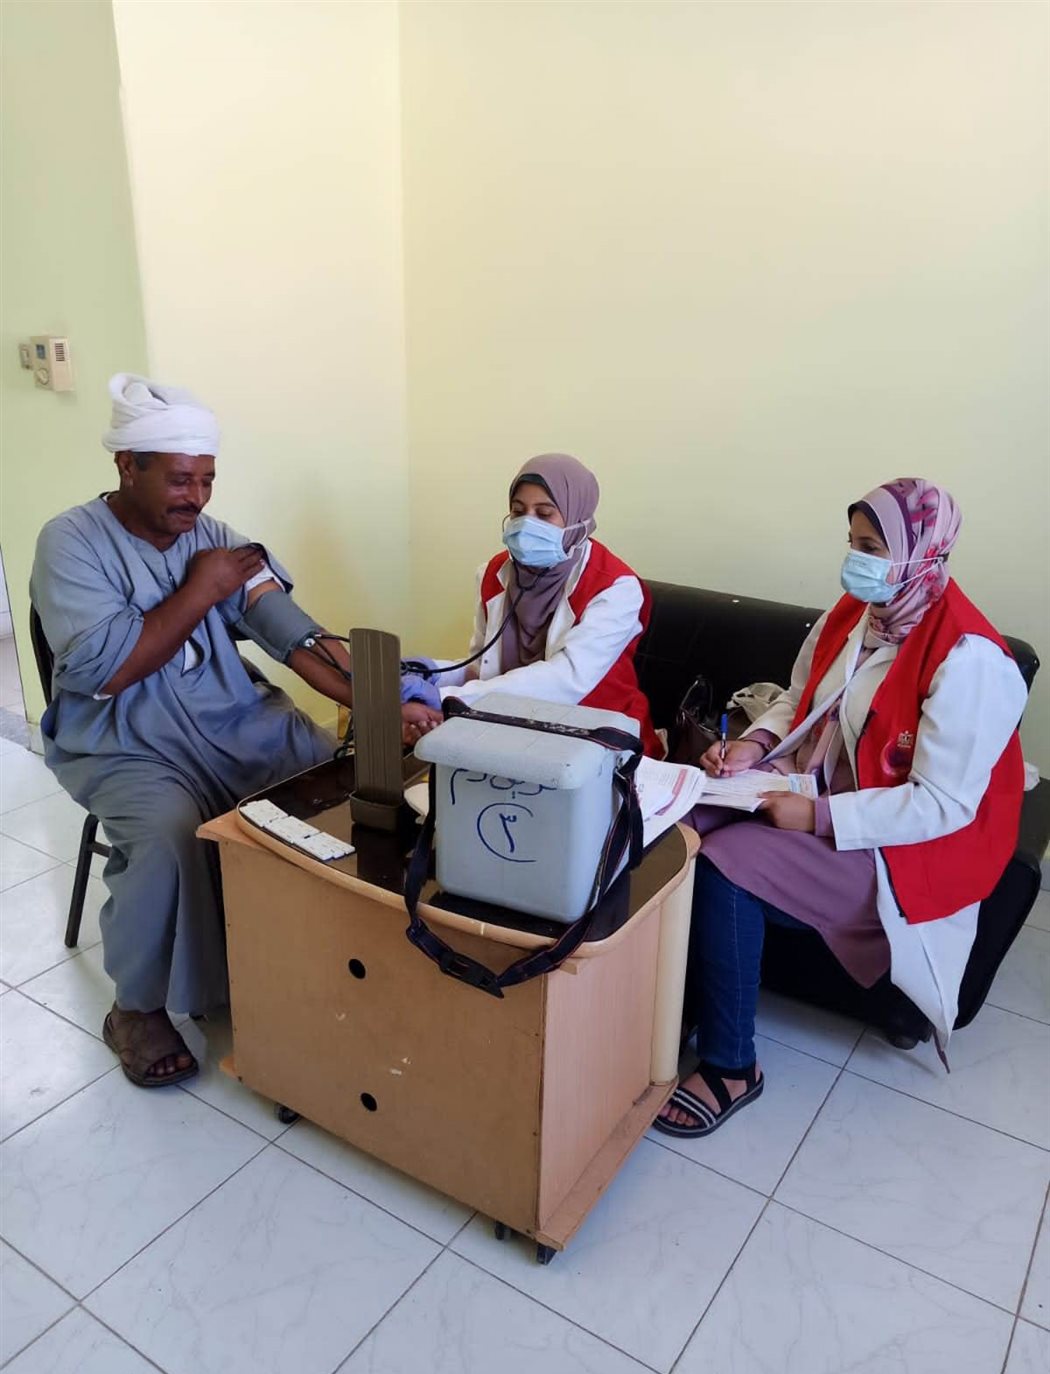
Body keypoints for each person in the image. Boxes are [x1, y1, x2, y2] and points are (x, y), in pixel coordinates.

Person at [30, 373, 407, 1089]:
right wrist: (202, 587)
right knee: (168, 830)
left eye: (206, 480)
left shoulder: (215, 539)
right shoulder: (70, 542)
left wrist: (386, 699)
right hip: (121, 737)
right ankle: (137, 1009)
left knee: (331, 776)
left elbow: (294, 637)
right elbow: (110, 671)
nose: (196, 499)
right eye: (180, 480)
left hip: (229, 717)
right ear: (127, 465)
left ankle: (311, 950)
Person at [655, 478, 1026, 1139]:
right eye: (853, 543)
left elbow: (942, 805)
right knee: (679, 822)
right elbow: (798, 699)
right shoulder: (856, 615)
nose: (856, 561)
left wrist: (819, 818)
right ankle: (671, 1002)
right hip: (816, 792)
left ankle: (731, 1066)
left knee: (724, 864)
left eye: (872, 548)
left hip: (899, 848)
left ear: (922, 552)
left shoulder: (971, 659)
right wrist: (753, 746)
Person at [400, 454, 661, 756]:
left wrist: (446, 699)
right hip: (515, 732)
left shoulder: (615, 588)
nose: (526, 524)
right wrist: (430, 672)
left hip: (598, 738)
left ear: (578, 518)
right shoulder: (494, 574)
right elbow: (482, 669)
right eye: (518, 511)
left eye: (544, 513)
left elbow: (564, 681)